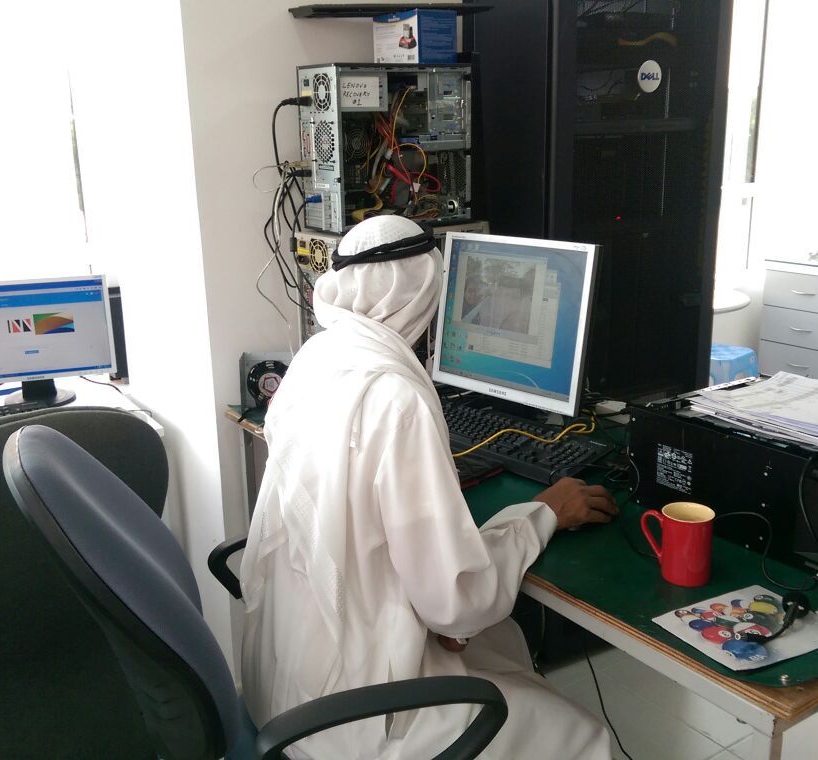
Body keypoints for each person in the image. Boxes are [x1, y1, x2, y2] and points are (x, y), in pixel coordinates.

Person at [240, 215, 617, 759]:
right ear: (420, 291)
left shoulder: (314, 359)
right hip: (356, 711)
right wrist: (543, 513)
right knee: (583, 736)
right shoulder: (397, 399)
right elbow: (456, 601)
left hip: (288, 673)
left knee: (498, 649)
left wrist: (441, 606)